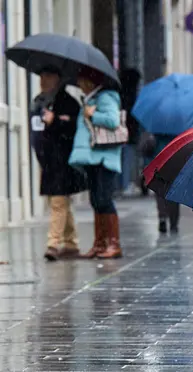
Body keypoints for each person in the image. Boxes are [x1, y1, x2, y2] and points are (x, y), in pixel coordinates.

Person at [30, 66, 87, 261]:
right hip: (47, 160)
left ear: (58, 79)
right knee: (59, 202)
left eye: (47, 76)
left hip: (62, 161)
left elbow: (74, 129)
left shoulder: (67, 102)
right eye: (41, 76)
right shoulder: (39, 101)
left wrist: (56, 121)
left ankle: (53, 244)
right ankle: (71, 243)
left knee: (58, 201)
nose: (42, 80)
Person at [69, 67, 124, 259]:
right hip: (93, 157)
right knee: (95, 201)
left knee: (104, 199)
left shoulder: (105, 97)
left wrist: (93, 115)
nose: (79, 84)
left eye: (81, 81)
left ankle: (113, 243)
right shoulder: (90, 99)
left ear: (89, 81)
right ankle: (99, 243)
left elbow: (112, 120)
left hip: (104, 158)